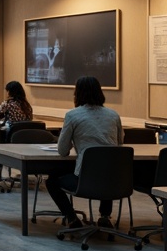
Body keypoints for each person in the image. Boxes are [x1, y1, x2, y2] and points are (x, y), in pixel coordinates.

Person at [44, 76, 121, 227]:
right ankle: (105, 216)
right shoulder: (114, 115)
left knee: (52, 181)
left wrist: (74, 141)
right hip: (114, 180)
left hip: (83, 180)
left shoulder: (73, 116)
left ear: (77, 93)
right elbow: (118, 146)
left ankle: (72, 218)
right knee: (106, 168)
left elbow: (62, 151)